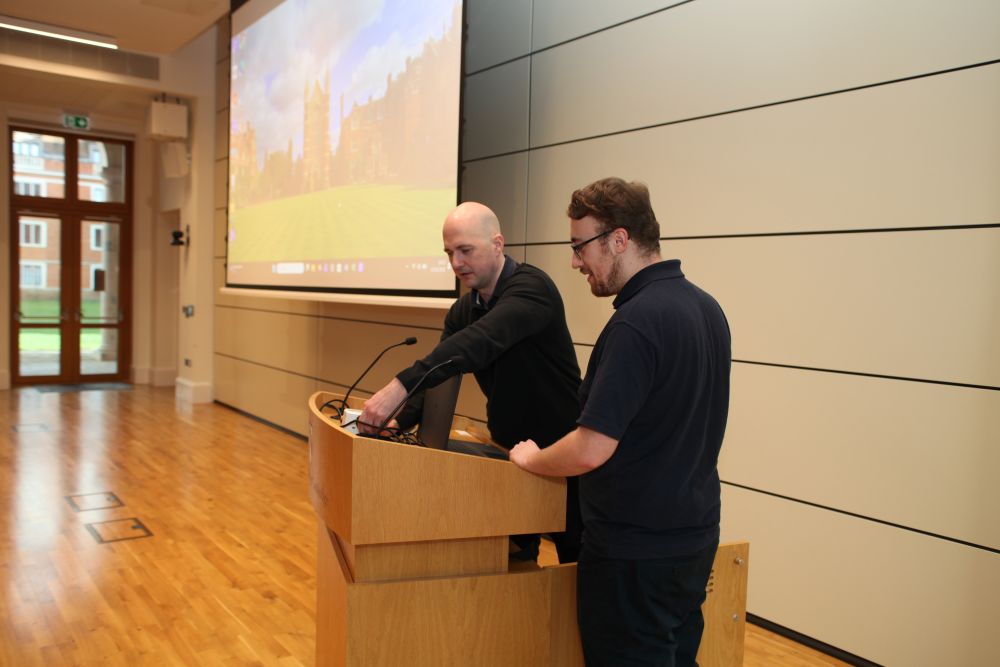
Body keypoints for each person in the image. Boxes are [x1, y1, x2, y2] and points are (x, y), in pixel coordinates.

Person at [509, 178, 731, 666]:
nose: (575, 262)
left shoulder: (635, 322)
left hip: (634, 552)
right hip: (693, 540)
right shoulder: (707, 308)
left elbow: (591, 447)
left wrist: (533, 460)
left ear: (619, 239)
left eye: (579, 246)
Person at [360, 201, 582, 563]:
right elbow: (440, 375)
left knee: (575, 563)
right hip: (510, 453)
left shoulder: (532, 288)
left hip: (564, 453)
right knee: (513, 563)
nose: (456, 262)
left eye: (466, 250)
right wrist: (399, 420)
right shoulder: (462, 311)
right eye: (449, 253)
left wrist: (399, 385)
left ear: (497, 244)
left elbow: (480, 341)